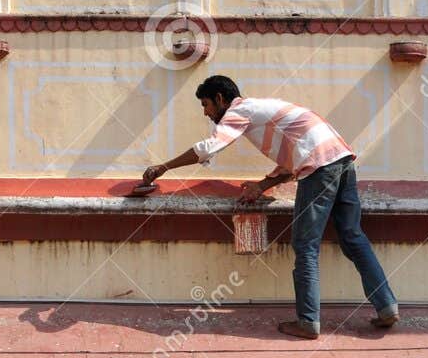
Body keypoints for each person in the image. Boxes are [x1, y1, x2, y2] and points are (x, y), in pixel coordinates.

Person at [140, 74, 399, 340]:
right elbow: (292, 161)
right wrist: (261, 186)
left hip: (320, 167)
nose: (206, 113)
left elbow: (209, 147)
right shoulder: (262, 110)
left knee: (305, 246)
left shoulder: (239, 110)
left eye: (206, 105)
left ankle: (308, 321)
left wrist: (163, 167)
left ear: (220, 99)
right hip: (342, 159)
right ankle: (387, 306)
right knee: (352, 236)